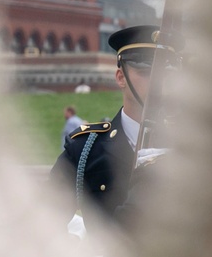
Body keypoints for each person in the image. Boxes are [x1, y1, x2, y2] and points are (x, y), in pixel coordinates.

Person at [53, 25, 160, 222]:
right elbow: (44, 224)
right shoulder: (85, 149)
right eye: (145, 72)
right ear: (121, 77)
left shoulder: (196, 149)